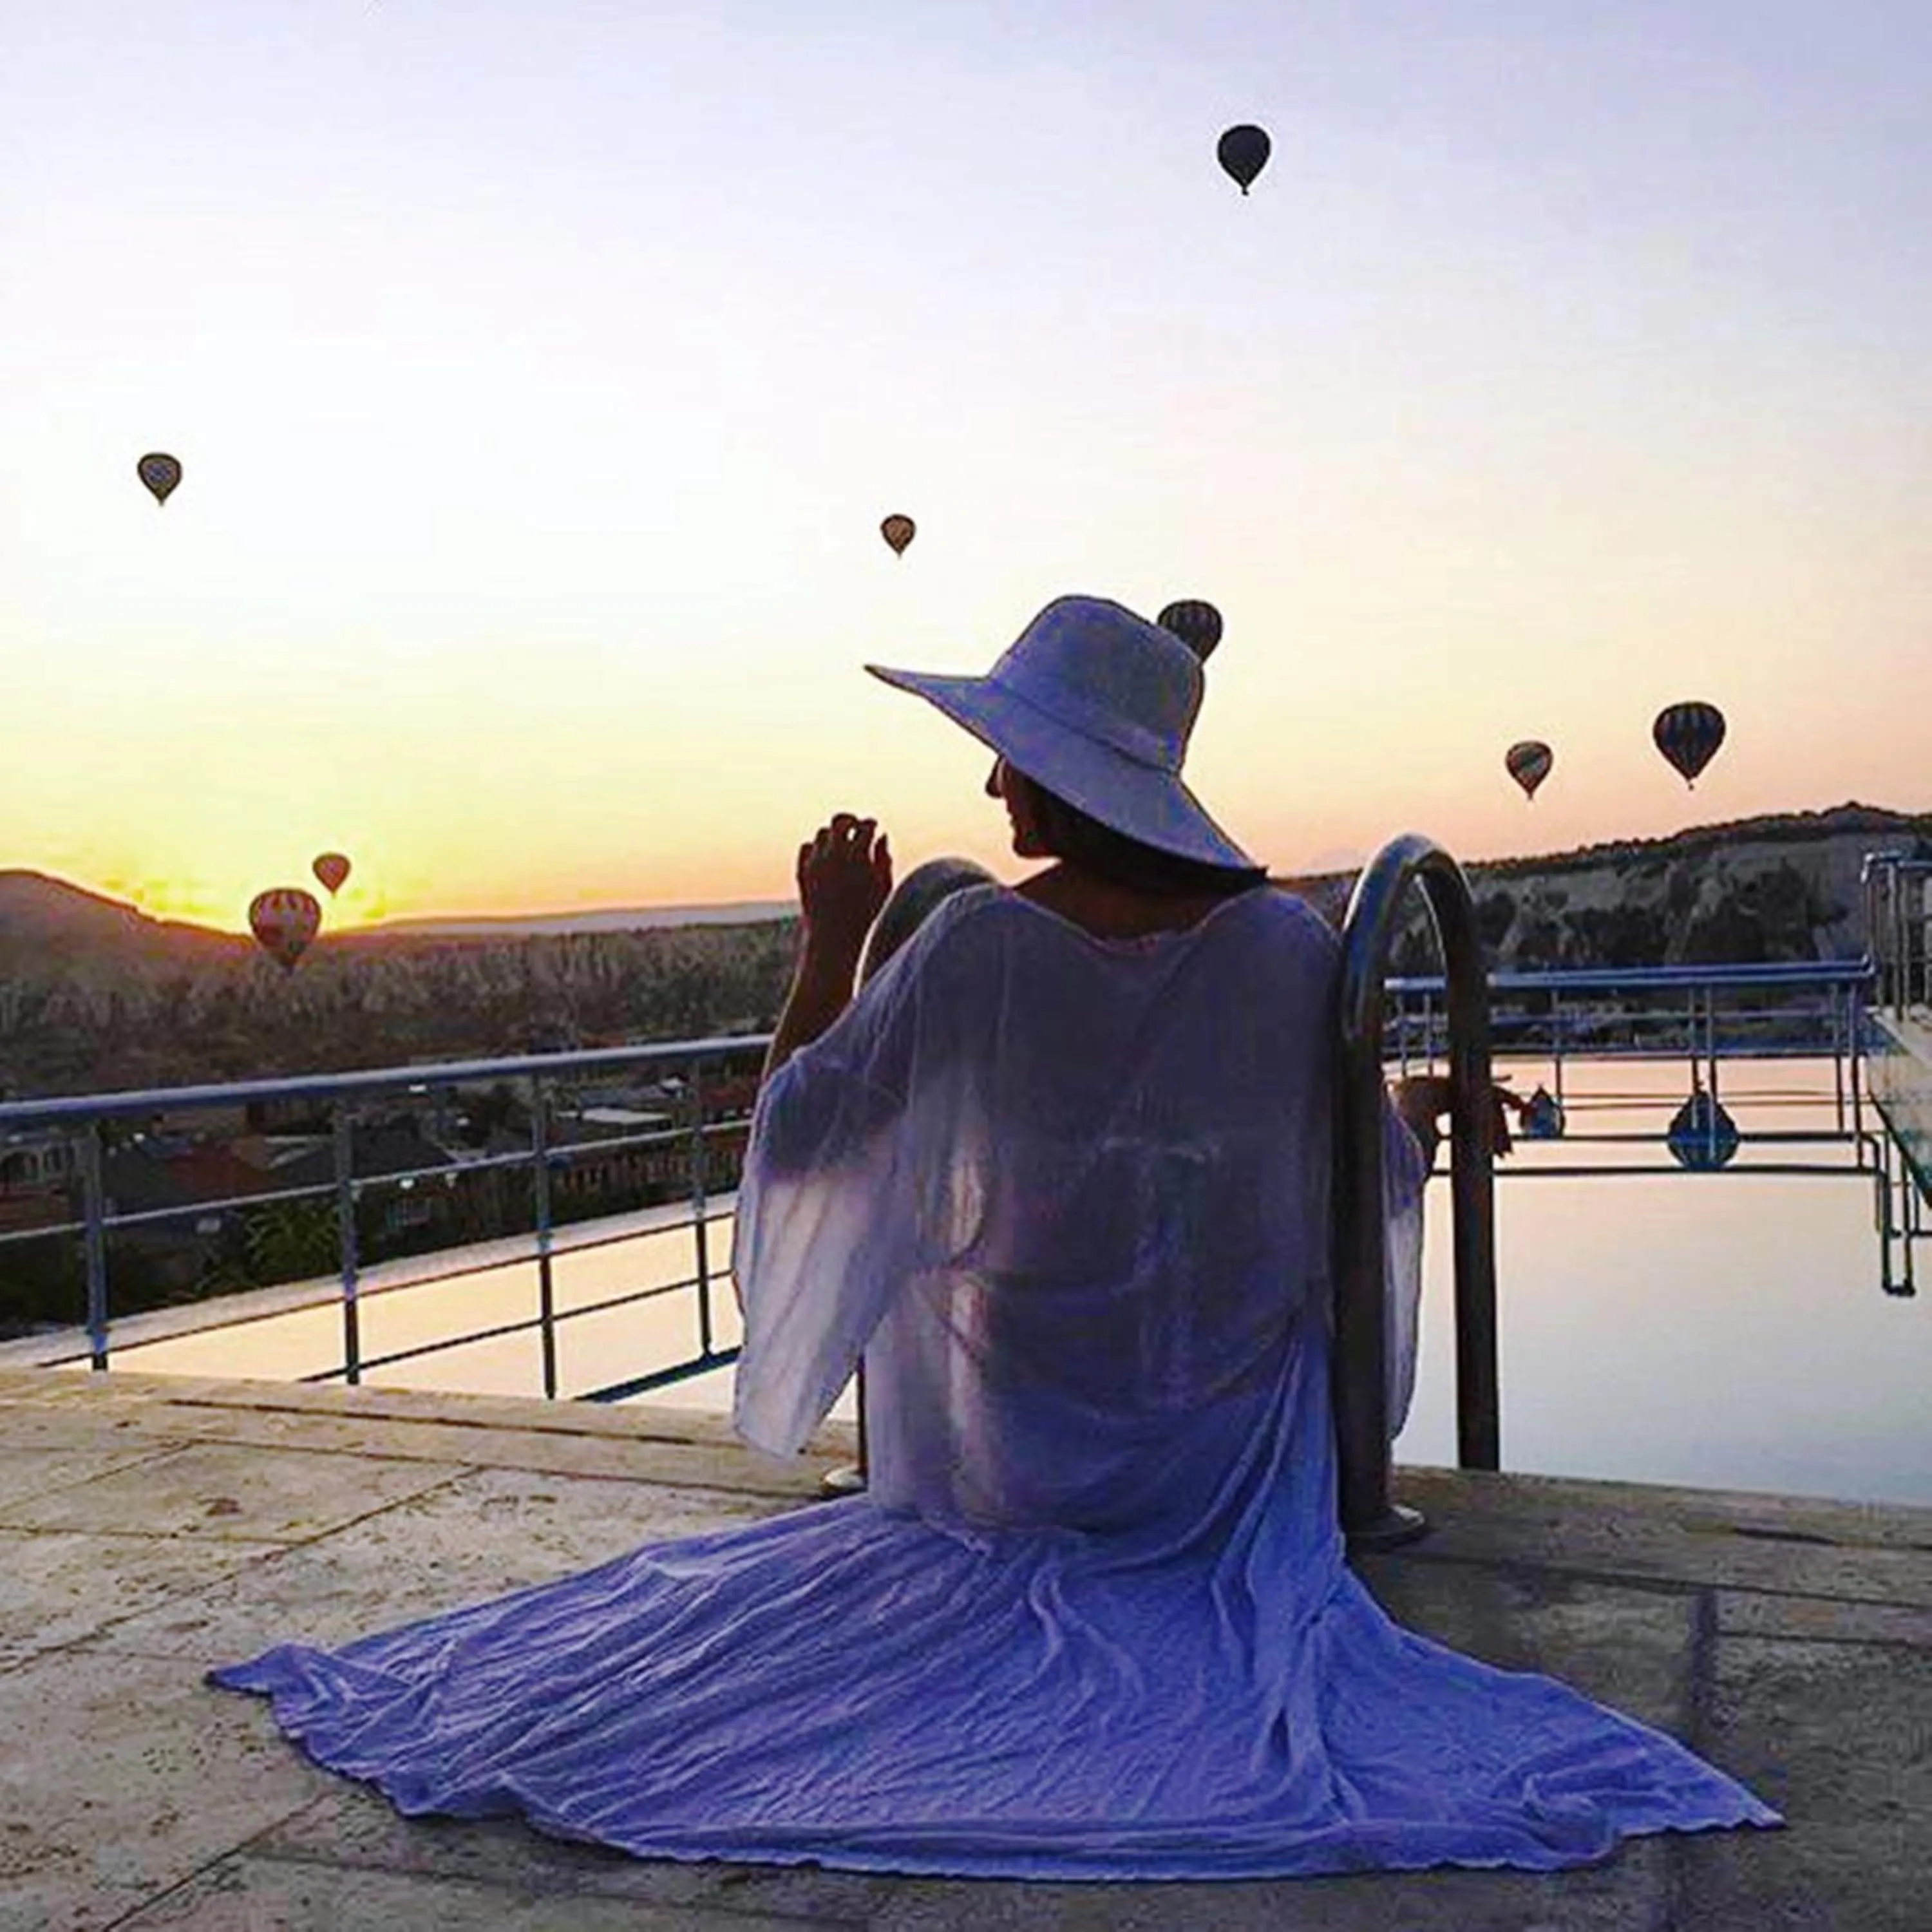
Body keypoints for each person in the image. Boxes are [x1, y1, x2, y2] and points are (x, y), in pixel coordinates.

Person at [211, 594, 1777, 1879]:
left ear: (1055, 777)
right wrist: (1426, 1106)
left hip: (1012, 1452)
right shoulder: (1293, 951)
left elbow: (802, 1146)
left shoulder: (970, 951)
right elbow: (1344, 1173)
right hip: (1223, 1463)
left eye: (1006, 759)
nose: (989, 792)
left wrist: (827, 942)